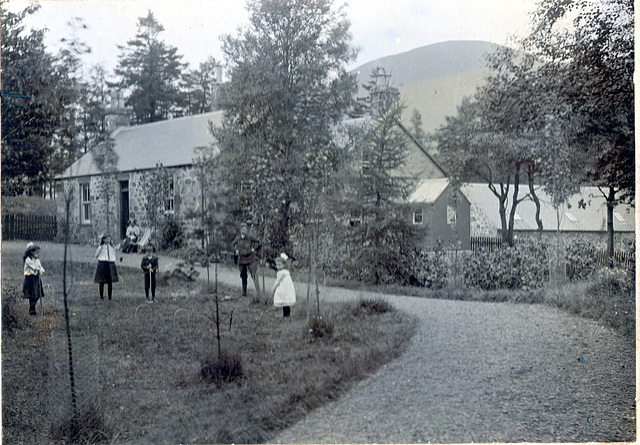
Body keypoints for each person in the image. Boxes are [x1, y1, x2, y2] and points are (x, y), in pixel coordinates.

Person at [232, 223, 261, 297]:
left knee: (254, 276)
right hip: (242, 260)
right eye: (242, 229)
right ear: (240, 230)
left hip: (250, 259)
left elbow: (259, 242)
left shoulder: (250, 237)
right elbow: (232, 245)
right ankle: (244, 293)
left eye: (245, 229)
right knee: (243, 276)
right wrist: (236, 250)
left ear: (246, 230)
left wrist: (254, 249)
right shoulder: (238, 238)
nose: (243, 230)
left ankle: (258, 293)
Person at [22, 243, 45, 315]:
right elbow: (34, 267)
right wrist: (38, 269)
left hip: (36, 278)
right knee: (31, 295)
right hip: (30, 278)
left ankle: (32, 307)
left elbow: (40, 267)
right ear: (31, 252)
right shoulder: (28, 260)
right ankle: (32, 309)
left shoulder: (37, 259)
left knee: (37, 294)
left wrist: (41, 270)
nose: (37, 254)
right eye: (36, 252)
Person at [94, 234, 119, 300]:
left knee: (110, 281)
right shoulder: (101, 247)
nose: (108, 240)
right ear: (104, 240)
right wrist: (100, 249)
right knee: (101, 281)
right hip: (103, 264)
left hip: (110, 263)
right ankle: (101, 296)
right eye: (107, 239)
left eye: (109, 239)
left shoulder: (111, 247)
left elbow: (113, 254)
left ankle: (110, 297)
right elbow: (96, 255)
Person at [272, 253, 295, 317]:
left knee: (284, 300)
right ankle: (286, 315)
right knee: (286, 302)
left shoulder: (281, 273)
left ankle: (286, 315)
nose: (278, 266)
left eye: (279, 265)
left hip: (284, 289)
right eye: (277, 265)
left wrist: (274, 288)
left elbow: (277, 281)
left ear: (284, 265)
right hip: (287, 288)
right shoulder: (286, 272)